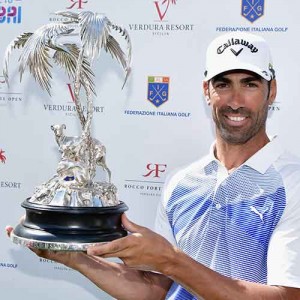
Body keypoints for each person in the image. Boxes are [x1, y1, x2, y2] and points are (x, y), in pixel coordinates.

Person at [6, 32, 300, 299]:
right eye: (223, 84)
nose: (235, 101)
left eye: (250, 84)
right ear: (206, 90)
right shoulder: (182, 183)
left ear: (271, 91)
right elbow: (156, 290)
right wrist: (74, 257)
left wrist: (170, 259)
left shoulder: (292, 182)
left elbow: (286, 297)